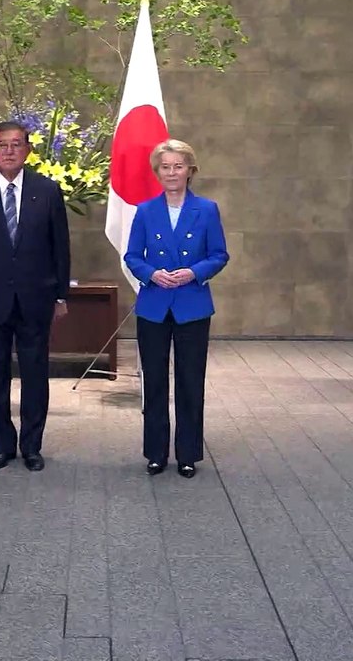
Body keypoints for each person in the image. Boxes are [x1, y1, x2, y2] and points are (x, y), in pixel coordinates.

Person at [0, 120, 71, 472]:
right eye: (1, 145)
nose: (8, 151)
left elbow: (60, 248)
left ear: (28, 150)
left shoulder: (47, 190)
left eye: (16, 144)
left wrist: (61, 295)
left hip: (36, 299)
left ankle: (32, 446)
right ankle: (2, 446)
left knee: (35, 375)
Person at [123, 139, 229, 478]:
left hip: (192, 306)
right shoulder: (145, 211)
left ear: (190, 171)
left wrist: (194, 272)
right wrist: (151, 273)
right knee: (153, 382)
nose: (172, 172)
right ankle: (155, 453)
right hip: (154, 305)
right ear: (158, 172)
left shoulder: (207, 210)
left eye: (178, 166)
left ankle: (187, 454)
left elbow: (219, 254)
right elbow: (132, 256)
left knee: (189, 381)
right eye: (165, 167)